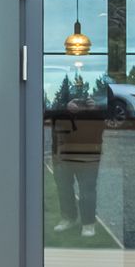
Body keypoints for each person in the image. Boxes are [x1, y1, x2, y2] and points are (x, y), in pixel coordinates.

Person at [51, 93, 107, 238]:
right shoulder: (62, 110)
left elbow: (103, 125)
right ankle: (68, 218)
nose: (80, 105)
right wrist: (65, 108)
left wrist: (95, 110)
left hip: (88, 155)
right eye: (77, 102)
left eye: (84, 102)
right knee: (64, 188)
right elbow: (52, 119)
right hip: (63, 155)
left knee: (87, 190)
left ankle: (88, 223)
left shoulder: (96, 111)